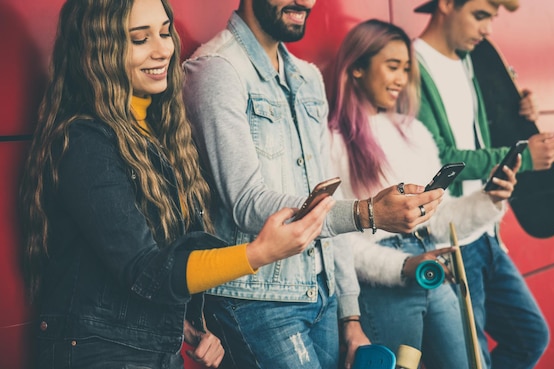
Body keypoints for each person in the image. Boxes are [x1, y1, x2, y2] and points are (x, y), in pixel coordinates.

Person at [19, 0, 335, 368]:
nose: (163, 49)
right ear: (98, 49)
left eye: (165, 32)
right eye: (139, 39)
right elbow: (146, 271)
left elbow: (150, 268)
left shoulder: (156, 130)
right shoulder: (85, 139)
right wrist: (260, 253)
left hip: (153, 350)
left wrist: (188, 324)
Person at [182, 1, 444, 368]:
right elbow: (246, 202)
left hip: (322, 295)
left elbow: (325, 193)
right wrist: (367, 212)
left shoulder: (307, 78)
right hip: (256, 300)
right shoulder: (215, 70)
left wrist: (350, 316)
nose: (306, 1)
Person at [327, 19, 520, 368]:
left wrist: (489, 199)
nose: (401, 78)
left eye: (406, 68)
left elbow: (438, 217)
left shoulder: (413, 132)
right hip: (382, 285)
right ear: (356, 68)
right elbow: (336, 239)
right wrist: (402, 265)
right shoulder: (331, 142)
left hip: (431, 267)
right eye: (392, 66)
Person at [413, 0, 554, 367]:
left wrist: (522, 111)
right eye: (480, 16)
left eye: (492, 19)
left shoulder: (469, 61)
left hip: (486, 233)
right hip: (450, 240)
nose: (488, 29)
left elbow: (482, 136)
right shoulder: (412, 64)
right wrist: (523, 159)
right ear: (447, 5)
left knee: (530, 337)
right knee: (472, 360)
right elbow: (442, 156)